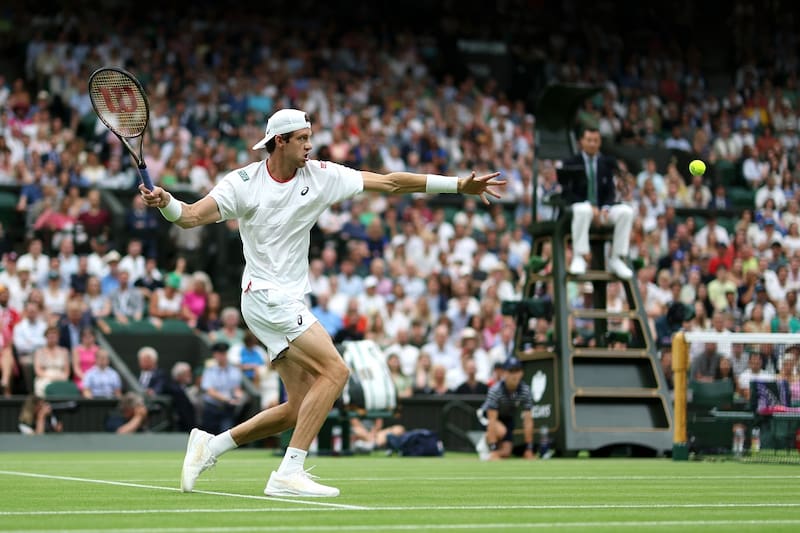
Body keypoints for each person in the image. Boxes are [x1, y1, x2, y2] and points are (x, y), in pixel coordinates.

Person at [140, 108, 504, 497]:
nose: (310, 145)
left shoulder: (321, 176)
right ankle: (288, 472)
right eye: (302, 138)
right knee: (336, 371)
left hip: (281, 300)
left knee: (297, 408)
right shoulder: (243, 183)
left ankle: (210, 446)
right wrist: (167, 202)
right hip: (264, 296)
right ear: (279, 141)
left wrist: (457, 185)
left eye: (310, 137)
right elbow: (190, 217)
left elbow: (390, 183)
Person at [560, 127, 634, 279]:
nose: (592, 144)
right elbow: (567, 193)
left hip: (601, 212)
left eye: (595, 140)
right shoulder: (570, 162)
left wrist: (606, 208)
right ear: (581, 142)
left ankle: (617, 258)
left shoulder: (606, 163)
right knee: (583, 209)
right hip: (579, 211)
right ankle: (580, 256)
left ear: (600, 143)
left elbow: (610, 192)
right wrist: (589, 206)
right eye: (589, 140)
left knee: (626, 212)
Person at [479, 357, 535, 460]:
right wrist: (494, 450)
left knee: (506, 452)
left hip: (506, 418)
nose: (514, 375)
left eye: (517, 371)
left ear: (522, 373)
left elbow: (528, 421)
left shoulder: (525, 391)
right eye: (511, 371)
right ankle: (486, 443)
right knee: (501, 431)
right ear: (504, 373)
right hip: (487, 417)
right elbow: (492, 420)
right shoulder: (495, 390)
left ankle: (487, 455)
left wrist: (529, 449)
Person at [200, 341, 244, 435]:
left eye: (223, 353)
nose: (221, 356)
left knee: (226, 434)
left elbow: (237, 388)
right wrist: (227, 399)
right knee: (209, 435)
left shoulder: (234, 371)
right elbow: (210, 391)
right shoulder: (210, 370)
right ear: (214, 355)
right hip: (212, 408)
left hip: (227, 409)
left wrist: (238, 396)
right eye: (219, 353)